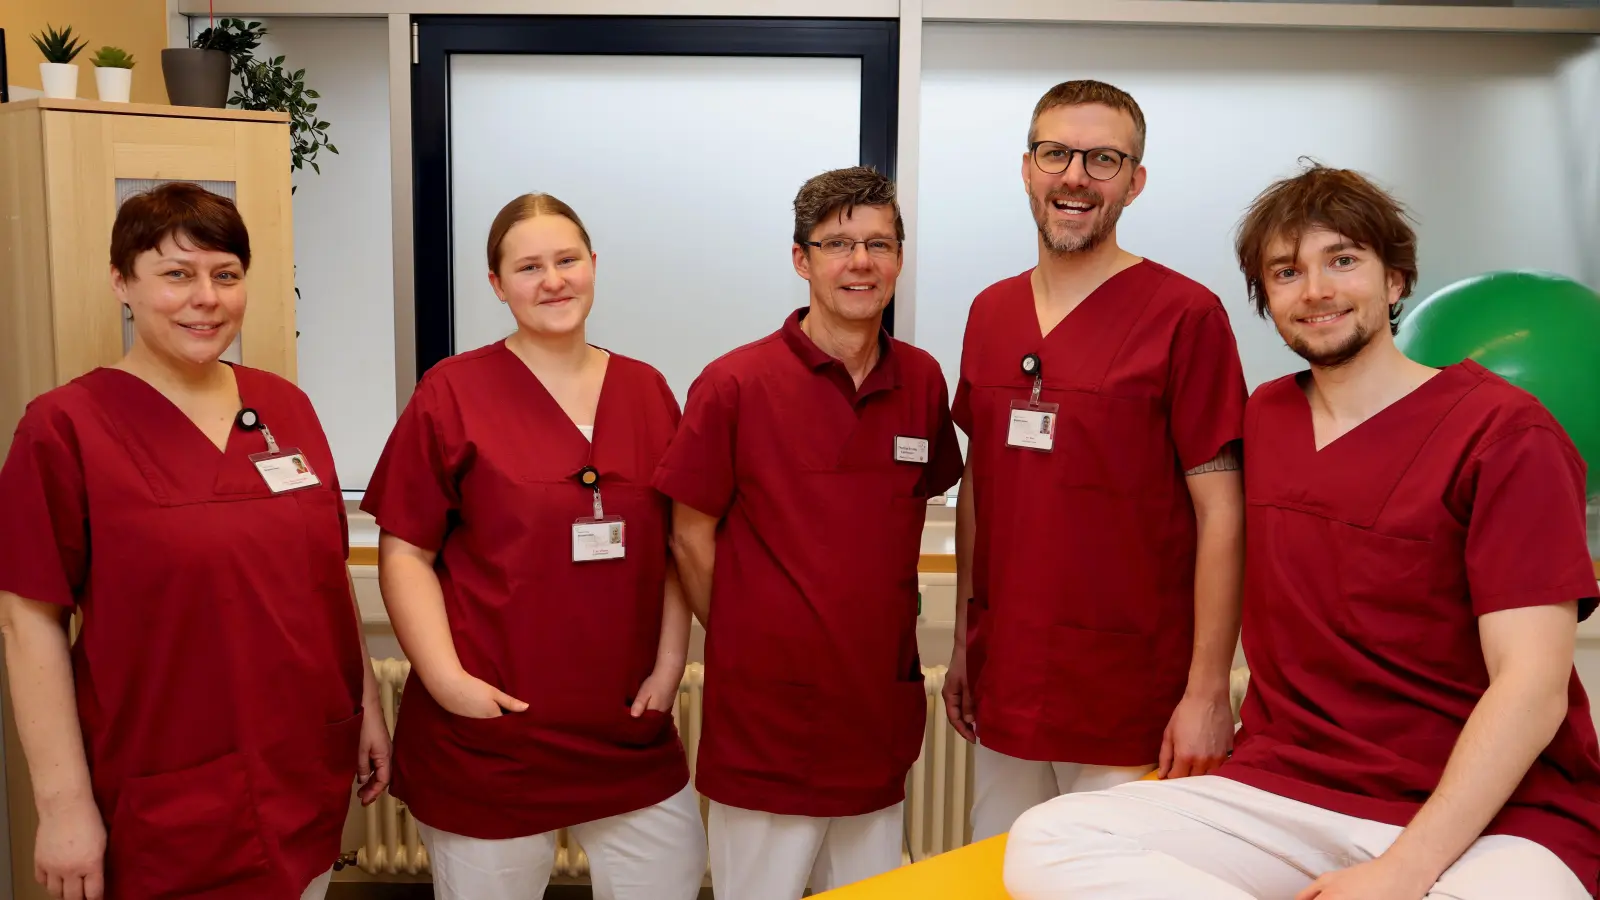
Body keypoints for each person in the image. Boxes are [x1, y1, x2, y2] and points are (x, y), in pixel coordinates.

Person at [1002, 163, 1600, 900]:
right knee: (1051, 838)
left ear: (1395, 281)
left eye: (1343, 260)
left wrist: (1403, 871)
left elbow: (1533, 690)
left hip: (1494, 815)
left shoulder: (1507, 434)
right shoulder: (1267, 418)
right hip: (1289, 789)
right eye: (1287, 272)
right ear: (1267, 299)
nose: (1315, 290)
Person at [0, 182, 391, 900]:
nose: (205, 298)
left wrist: (364, 704)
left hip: (302, 769)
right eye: (176, 274)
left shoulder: (285, 406)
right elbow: (29, 625)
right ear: (122, 282)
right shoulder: (63, 428)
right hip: (164, 789)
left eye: (225, 274)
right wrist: (62, 807)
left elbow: (325, 579)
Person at [361, 193, 706, 900]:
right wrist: (450, 684)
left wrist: (672, 663)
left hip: (627, 730)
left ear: (594, 266)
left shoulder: (647, 390)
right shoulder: (452, 391)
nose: (552, 280)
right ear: (496, 285)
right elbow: (404, 552)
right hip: (494, 732)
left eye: (567, 260)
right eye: (528, 267)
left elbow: (676, 546)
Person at [944, 78, 1249, 842]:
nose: (1075, 176)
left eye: (1103, 159)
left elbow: (1224, 514)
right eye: (1056, 154)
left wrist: (1210, 689)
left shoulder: (1186, 316)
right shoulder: (990, 311)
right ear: (1027, 168)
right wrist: (962, 647)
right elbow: (982, 489)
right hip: (1007, 674)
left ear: (1135, 182)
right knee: (999, 877)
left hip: (1130, 688)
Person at [654, 166, 964, 899]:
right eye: (838, 244)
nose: (861, 263)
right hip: (769, 720)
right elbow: (688, 538)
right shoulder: (735, 384)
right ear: (802, 260)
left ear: (899, 257)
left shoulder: (920, 381)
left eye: (880, 244)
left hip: (874, 714)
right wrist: (748, 632)